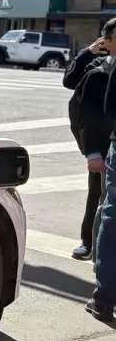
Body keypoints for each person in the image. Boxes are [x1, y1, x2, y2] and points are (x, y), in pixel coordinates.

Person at [64, 23, 114, 262]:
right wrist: (88, 52)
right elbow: (71, 82)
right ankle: (89, 242)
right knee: (97, 195)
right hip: (104, 145)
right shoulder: (99, 69)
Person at [83, 18, 116, 319]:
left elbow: (108, 111)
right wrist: (94, 151)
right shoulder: (99, 71)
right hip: (109, 148)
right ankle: (104, 297)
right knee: (108, 212)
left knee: (111, 215)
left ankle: (104, 297)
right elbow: (94, 113)